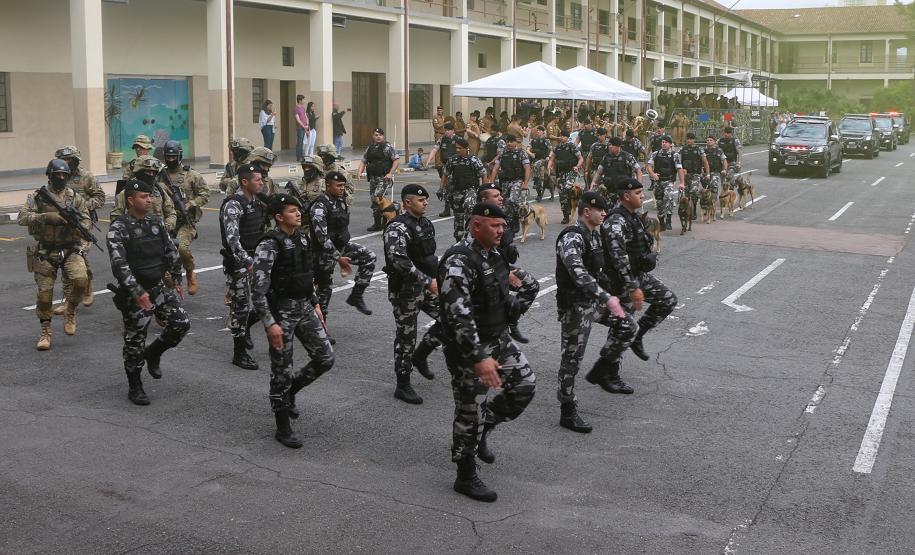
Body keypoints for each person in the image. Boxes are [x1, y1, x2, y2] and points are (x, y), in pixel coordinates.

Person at [437, 202, 539, 503]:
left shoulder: (493, 256)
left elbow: (502, 290)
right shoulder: (459, 260)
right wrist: (479, 356)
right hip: (470, 348)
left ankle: (486, 428)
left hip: (498, 339)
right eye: (495, 226)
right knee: (469, 411)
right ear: (476, 226)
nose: (502, 230)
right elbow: (457, 313)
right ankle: (465, 473)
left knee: (525, 385)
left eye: (502, 225)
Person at [251, 193, 335, 448]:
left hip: (304, 307)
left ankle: (291, 392)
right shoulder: (269, 244)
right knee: (281, 370)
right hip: (282, 312)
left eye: (299, 210)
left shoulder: (303, 238)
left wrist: (316, 304)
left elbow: (306, 274)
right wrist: (269, 323)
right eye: (291, 211)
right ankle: (282, 425)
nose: (298, 214)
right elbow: (258, 289)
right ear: (278, 217)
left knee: (325, 357)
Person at [106, 178, 190, 405]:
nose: (149, 199)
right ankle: (135, 386)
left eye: (150, 195)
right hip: (136, 293)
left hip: (158, 286)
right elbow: (118, 264)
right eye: (144, 196)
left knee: (181, 323)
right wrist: (136, 291)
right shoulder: (118, 227)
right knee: (135, 341)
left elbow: (170, 250)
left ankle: (154, 353)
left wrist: (177, 277)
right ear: (131, 200)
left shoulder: (156, 222)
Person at [555, 192, 627, 433]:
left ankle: (604, 371)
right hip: (576, 306)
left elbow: (598, 268)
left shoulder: (594, 235)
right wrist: (606, 296)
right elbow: (578, 273)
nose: (605, 213)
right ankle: (567, 409)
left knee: (627, 324)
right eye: (601, 210)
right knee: (572, 359)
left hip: (593, 303)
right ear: (588, 212)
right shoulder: (572, 237)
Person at [597, 178, 677, 391]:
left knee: (667, 300)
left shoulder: (632, 216)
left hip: (637, 275)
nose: (643, 196)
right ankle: (608, 375)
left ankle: (637, 336)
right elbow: (617, 257)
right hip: (622, 282)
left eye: (642, 192)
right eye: (639, 193)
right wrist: (632, 288)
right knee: (622, 326)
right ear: (626, 196)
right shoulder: (616, 221)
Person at [18, 159, 92, 350]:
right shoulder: (38, 196)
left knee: (81, 281)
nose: (60, 178)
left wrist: (79, 228)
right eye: (57, 175)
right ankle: (45, 331)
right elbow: (22, 217)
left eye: (64, 175)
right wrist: (44, 217)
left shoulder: (75, 197)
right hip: (45, 250)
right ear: (49, 175)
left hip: (70, 248)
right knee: (44, 296)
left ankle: (70, 310)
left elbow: (86, 218)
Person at [382, 184, 442, 405]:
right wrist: (428, 281)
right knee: (406, 337)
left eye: (426, 199)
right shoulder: (397, 227)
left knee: (450, 318)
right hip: (405, 291)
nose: (425, 202)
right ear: (407, 203)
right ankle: (403, 384)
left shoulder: (425, 224)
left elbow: (429, 256)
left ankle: (421, 354)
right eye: (420, 200)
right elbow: (399, 261)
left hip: (427, 288)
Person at [471, 184, 541, 344]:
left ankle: (510, 323)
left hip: (497, 264)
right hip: (478, 270)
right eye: (496, 196)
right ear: (484, 200)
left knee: (530, 285)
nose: (501, 198)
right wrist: (502, 272)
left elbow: (496, 249)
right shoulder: (476, 221)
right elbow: (474, 255)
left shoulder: (499, 214)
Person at [220, 164, 269, 370]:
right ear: (244, 182)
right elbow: (233, 240)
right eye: (257, 179)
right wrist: (248, 262)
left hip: (257, 260)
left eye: (261, 179)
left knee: (269, 299)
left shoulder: (258, 201)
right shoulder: (234, 204)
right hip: (240, 264)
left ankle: (248, 325)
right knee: (240, 308)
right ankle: (239, 353)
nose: (261, 182)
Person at [310, 170, 375, 322]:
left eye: (343, 186)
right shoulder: (319, 206)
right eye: (338, 186)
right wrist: (338, 258)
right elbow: (322, 238)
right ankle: (321, 325)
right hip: (323, 254)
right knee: (324, 290)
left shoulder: (341, 202)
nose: (342, 189)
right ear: (327, 186)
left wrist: (341, 252)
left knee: (369, 257)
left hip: (341, 246)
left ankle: (356, 296)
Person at [52, 145, 105, 309]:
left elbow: (100, 197)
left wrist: (83, 205)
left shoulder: (86, 176)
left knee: (78, 254)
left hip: (83, 222)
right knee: (65, 258)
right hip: (63, 225)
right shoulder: (57, 176)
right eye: (64, 160)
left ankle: (87, 285)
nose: (67, 163)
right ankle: (68, 300)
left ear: (75, 160)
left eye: (70, 160)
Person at [159, 140, 209, 295]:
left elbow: (205, 193)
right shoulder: (159, 176)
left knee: (182, 249)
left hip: (185, 221)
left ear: (180, 156)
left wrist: (192, 203)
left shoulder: (192, 175)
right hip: (166, 220)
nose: (171, 159)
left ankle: (189, 272)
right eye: (168, 156)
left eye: (174, 156)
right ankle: (168, 288)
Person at [110, 156, 177, 233]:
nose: (151, 175)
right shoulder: (127, 192)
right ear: (139, 172)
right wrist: (128, 230)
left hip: (158, 236)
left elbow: (171, 213)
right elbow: (115, 217)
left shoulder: (160, 190)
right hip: (136, 236)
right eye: (148, 172)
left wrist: (165, 227)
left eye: (154, 172)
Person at [441, 136, 486, 241]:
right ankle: (458, 238)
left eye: (460, 148)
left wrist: (483, 190)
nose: (457, 150)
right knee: (458, 216)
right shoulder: (452, 160)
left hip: (471, 190)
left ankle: (471, 235)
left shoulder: (473, 160)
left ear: (466, 149)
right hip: (457, 191)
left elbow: (483, 174)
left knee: (469, 207)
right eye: (456, 148)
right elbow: (445, 174)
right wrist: (441, 189)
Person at [358, 127, 400, 232]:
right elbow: (363, 160)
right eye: (376, 135)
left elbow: (396, 160)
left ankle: (386, 222)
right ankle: (377, 224)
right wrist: (359, 172)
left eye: (380, 135)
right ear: (373, 136)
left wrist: (390, 173)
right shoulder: (370, 148)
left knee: (378, 198)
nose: (378, 137)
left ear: (383, 136)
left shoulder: (388, 147)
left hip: (384, 177)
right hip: (373, 178)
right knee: (374, 200)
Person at [490, 134, 531, 235]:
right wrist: (491, 183)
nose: (509, 143)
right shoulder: (503, 153)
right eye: (507, 141)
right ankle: (508, 226)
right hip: (505, 182)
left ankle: (516, 219)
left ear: (515, 142)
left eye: (511, 141)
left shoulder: (521, 153)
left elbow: (527, 168)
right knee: (504, 205)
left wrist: (525, 183)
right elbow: (495, 168)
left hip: (517, 180)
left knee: (513, 200)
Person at [590, 136, 642, 208]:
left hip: (623, 193)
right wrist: (593, 182)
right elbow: (599, 172)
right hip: (609, 192)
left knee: (620, 213)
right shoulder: (606, 157)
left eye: (611, 145)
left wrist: (639, 186)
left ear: (618, 146)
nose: (609, 147)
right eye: (609, 145)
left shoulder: (627, 157)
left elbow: (638, 170)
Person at [646, 136, 684, 230]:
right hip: (658, 182)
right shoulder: (656, 154)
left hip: (669, 181)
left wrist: (682, 182)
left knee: (669, 198)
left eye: (666, 142)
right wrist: (652, 174)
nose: (664, 143)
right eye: (662, 142)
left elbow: (679, 169)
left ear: (670, 144)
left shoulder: (674, 155)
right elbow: (649, 165)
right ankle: (661, 221)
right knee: (659, 203)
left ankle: (669, 221)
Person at [548, 130, 584, 225]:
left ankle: (577, 213)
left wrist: (577, 166)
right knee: (562, 195)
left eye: (564, 136)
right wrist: (549, 165)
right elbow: (552, 159)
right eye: (561, 136)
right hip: (560, 173)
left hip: (571, 172)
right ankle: (566, 215)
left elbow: (581, 158)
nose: (562, 137)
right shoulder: (557, 148)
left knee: (568, 190)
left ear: (568, 137)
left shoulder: (572, 146)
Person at [427, 122, 459, 217]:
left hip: (456, 166)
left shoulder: (458, 139)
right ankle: (447, 209)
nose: (446, 132)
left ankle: (458, 206)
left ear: (452, 131)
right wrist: (429, 159)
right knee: (446, 187)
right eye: (445, 130)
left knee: (457, 187)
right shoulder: (442, 139)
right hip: (446, 166)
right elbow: (435, 149)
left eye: (448, 130)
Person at [679, 133, 709, 220]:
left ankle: (694, 210)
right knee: (687, 194)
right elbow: (678, 160)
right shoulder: (683, 149)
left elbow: (705, 161)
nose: (689, 140)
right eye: (688, 139)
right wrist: (681, 169)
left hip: (696, 174)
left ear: (694, 140)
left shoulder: (699, 149)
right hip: (686, 174)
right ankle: (688, 211)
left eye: (691, 139)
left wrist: (707, 174)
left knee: (694, 191)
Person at [704, 136, 729, 216]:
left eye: (711, 140)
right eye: (707, 140)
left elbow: (724, 161)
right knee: (706, 190)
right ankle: (706, 207)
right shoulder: (703, 151)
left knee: (714, 187)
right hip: (705, 173)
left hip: (715, 172)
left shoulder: (719, 150)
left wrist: (724, 169)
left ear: (714, 141)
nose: (709, 141)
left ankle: (713, 206)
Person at [528, 125, 553, 202]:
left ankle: (537, 180)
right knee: (534, 166)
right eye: (537, 130)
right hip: (536, 159)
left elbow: (551, 149)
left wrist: (549, 156)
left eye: (539, 130)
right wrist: (530, 153)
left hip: (544, 159)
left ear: (543, 132)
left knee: (537, 165)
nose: (538, 132)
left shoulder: (546, 140)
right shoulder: (534, 140)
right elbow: (527, 148)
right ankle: (539, 193)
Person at [576, 119, 598, 185]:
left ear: (590, 124)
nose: (585, 126)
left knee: (592, 171)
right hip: (584, 153)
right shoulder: (582, 132)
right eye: (584, 124)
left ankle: (593, 184)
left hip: (593, 154)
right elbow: (577, 141)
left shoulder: (595, 132)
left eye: (586, 124)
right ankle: (587, 184)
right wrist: (574, 147)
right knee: (586, 170)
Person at [294, 95, 309, 162]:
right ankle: (298, 157)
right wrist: (303, 126)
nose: (304, 101)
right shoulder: (296, 108)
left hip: (305, 127)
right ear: (300, 100)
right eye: (303, 99)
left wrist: (307, 123)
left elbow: (305, 116)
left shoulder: (303, 108)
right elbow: (298, 119)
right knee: (299, 142)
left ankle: (301, 155)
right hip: (300, 127)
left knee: (302, 142)